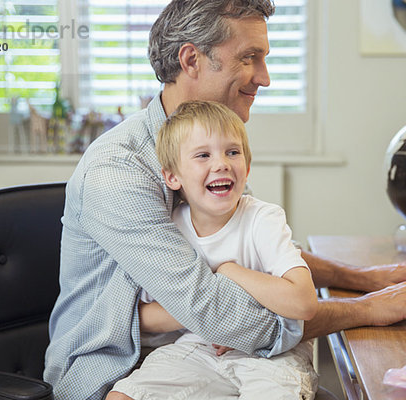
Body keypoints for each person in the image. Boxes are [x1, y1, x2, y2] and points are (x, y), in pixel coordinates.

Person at [44, 1, 406, 399]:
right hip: (120, 371)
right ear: (191, 60)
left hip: (207, 353)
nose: (265, 77)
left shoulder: (212, 147)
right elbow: (215, 309)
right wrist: (366, 309)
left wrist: (368, 277)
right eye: (250, 57)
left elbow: (256, 250)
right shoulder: (119, 170)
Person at [108, 100, 319, 399]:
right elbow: (143, 318)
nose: (221, 163)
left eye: (232, 152)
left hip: (269, 354)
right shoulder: (169, 228)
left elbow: (304, 303)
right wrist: (214, 319)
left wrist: (229, 271)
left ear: (247, 167)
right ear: (172, 177)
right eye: (203, 155)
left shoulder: (263, 219)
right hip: (196, 348)